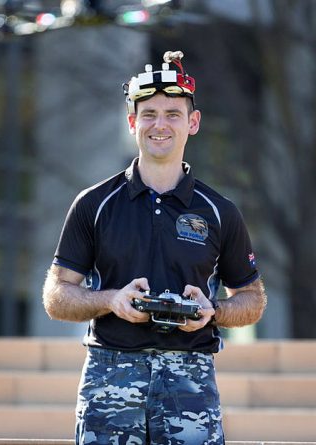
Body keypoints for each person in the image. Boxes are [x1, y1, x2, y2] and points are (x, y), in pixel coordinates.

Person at [42, 51, 267, 444]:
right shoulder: (94, 204)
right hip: (109, 374)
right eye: (148, 114)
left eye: (172, 114)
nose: (159, 125)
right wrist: (111, 300)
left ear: (192, 122)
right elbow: (57, 296)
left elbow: (252, 299)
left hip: (191, 380)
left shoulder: (220, 211)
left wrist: (212, 312)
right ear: (132, 122)